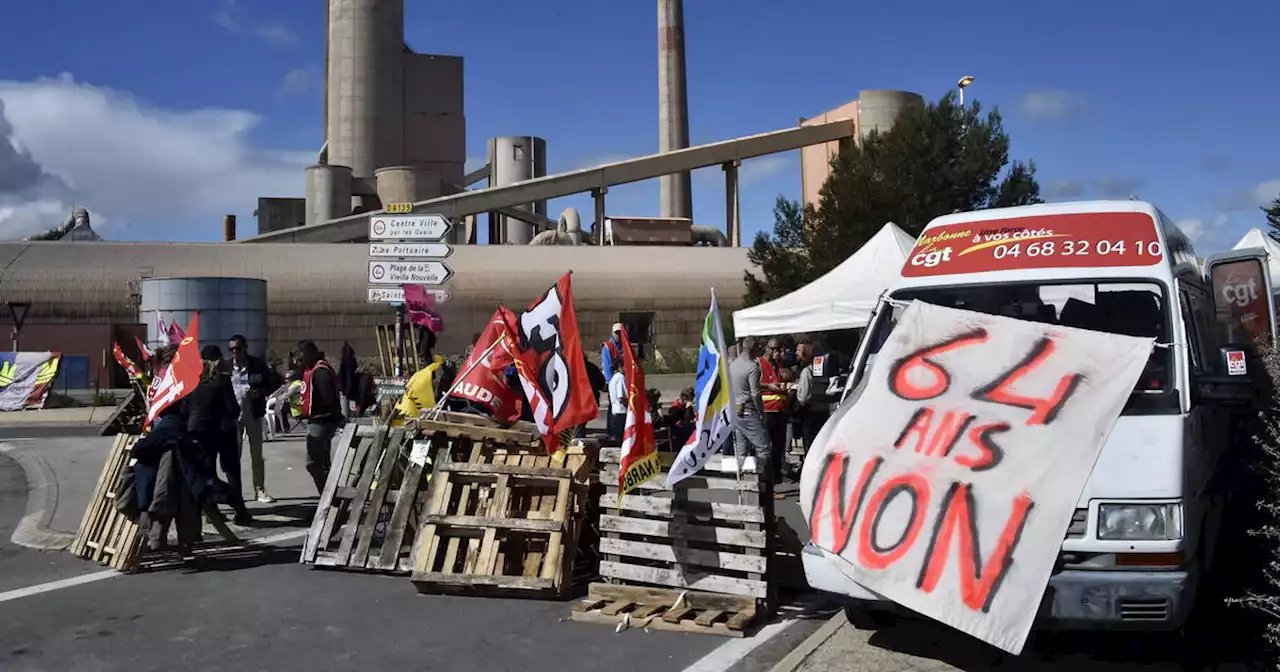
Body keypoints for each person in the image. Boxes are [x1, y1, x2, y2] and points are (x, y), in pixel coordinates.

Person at [190, 345, 252, 525]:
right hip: (224, 432)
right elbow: (232, 408)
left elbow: (187, 408)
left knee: (208, 472)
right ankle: (240, 510)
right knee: (232, 470)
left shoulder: (193, 381)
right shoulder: (222, 380)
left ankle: (211, 511)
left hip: (201, 433)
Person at [228, 334, 279, 504]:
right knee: (234, 456)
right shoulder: (227, 367)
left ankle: (260, 489)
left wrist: (259, 393)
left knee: (256, 454)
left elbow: (273, 382)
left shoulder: (256, 364)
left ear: (245, 348)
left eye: (238, 348)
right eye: (232, 349)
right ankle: (235, 492)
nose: (235, 352)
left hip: (253, 413)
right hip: (235, 416)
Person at [729, 336, 778, 497]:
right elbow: (755, 393)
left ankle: (743, 487)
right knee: (764, 447)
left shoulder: (732, 365)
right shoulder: (752, 367)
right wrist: (761, 413)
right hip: (749, 409)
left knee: (742, 450)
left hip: (736, 410)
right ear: (755, 348)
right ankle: (765, 487)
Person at [296, 340, 343, 494]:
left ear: (311, 353)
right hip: (317, 420)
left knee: (313, 464)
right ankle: (329, 498)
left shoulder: (320, 372)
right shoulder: (312, 370)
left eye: (302, 356)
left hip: (322, 422)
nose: (300, 360)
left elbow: (329, 400)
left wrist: (337, 419)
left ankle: (327, 495)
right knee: (323, 464)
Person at [395, 327, 445, 422]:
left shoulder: (425, 330)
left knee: (427, 386)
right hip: (427, 362)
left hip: (426, 362)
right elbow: (427, 344)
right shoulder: (426, 330)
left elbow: (424, 345)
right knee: (428, 386)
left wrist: (421, 351)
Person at [759, 338, 790, 487]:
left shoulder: (779, 365)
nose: (776, 352)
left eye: (778, 349)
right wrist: (769, 386)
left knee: (779, 445)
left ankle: (777, 476)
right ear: (766, 349)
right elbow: (753, 384)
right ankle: (767, 476)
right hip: (767, 409)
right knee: (767, 445)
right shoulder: (759, 363)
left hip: (781, 409)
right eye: (773, 349)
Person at [608, 366, 628, 443]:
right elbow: (621, 397)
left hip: (615, 411)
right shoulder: (621, 378)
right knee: (622, 439)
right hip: (621, 411)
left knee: (617, 438)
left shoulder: (614, 377)